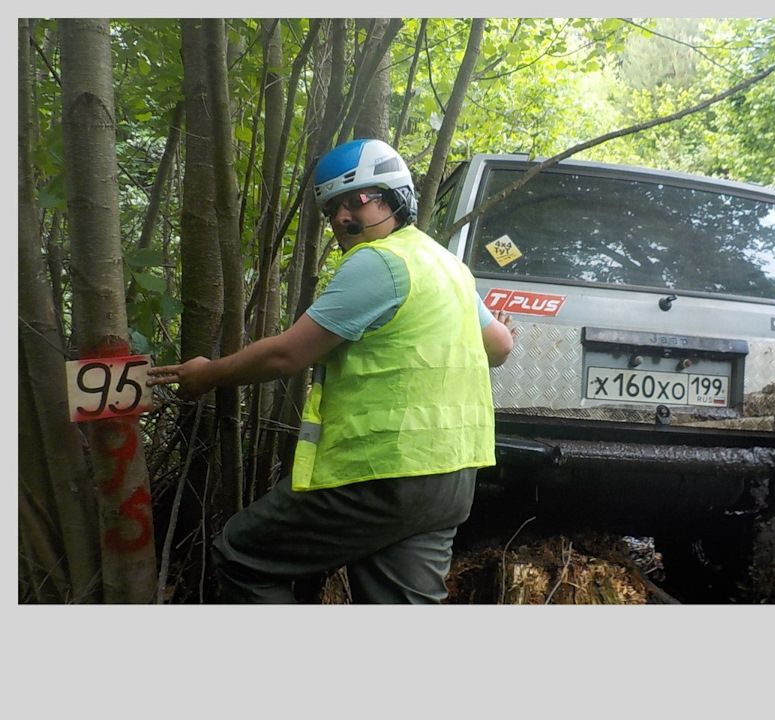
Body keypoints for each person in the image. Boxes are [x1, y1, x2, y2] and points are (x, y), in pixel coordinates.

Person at [147, 138, 516, 603]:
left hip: (380, 474)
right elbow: (499, 346)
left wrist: (208, 374)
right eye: (332, 209)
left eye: (357, 200)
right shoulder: (446, 264)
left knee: (241, 554)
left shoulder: (378, 263)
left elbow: (286, 356)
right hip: (451, 478)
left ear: (395, 198)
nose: (342, 217)